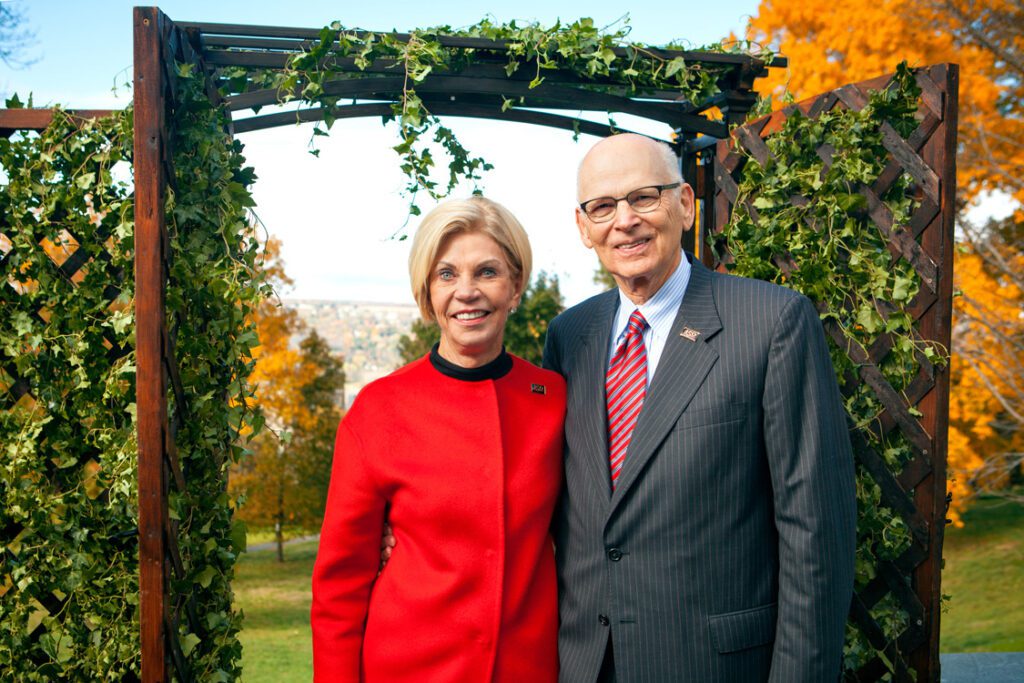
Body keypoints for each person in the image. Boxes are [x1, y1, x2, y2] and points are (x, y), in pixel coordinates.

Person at [542, 133, 857, 682]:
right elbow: (549, 496)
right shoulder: (569, 336)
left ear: (685, 204)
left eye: (644, 197)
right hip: (587, 665)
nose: (625, 221)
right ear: (583, 227)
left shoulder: (772, 323)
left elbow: (815, 536)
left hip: (714, 666)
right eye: (603, 206)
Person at [311, 196, 566, 683]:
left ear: (515, 288)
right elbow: (338, 589)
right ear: (427, 294)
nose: (466, 291)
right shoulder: (378, 409)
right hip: (407, 668)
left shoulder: (554, 399)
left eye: (487, 272)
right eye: (447, 275)